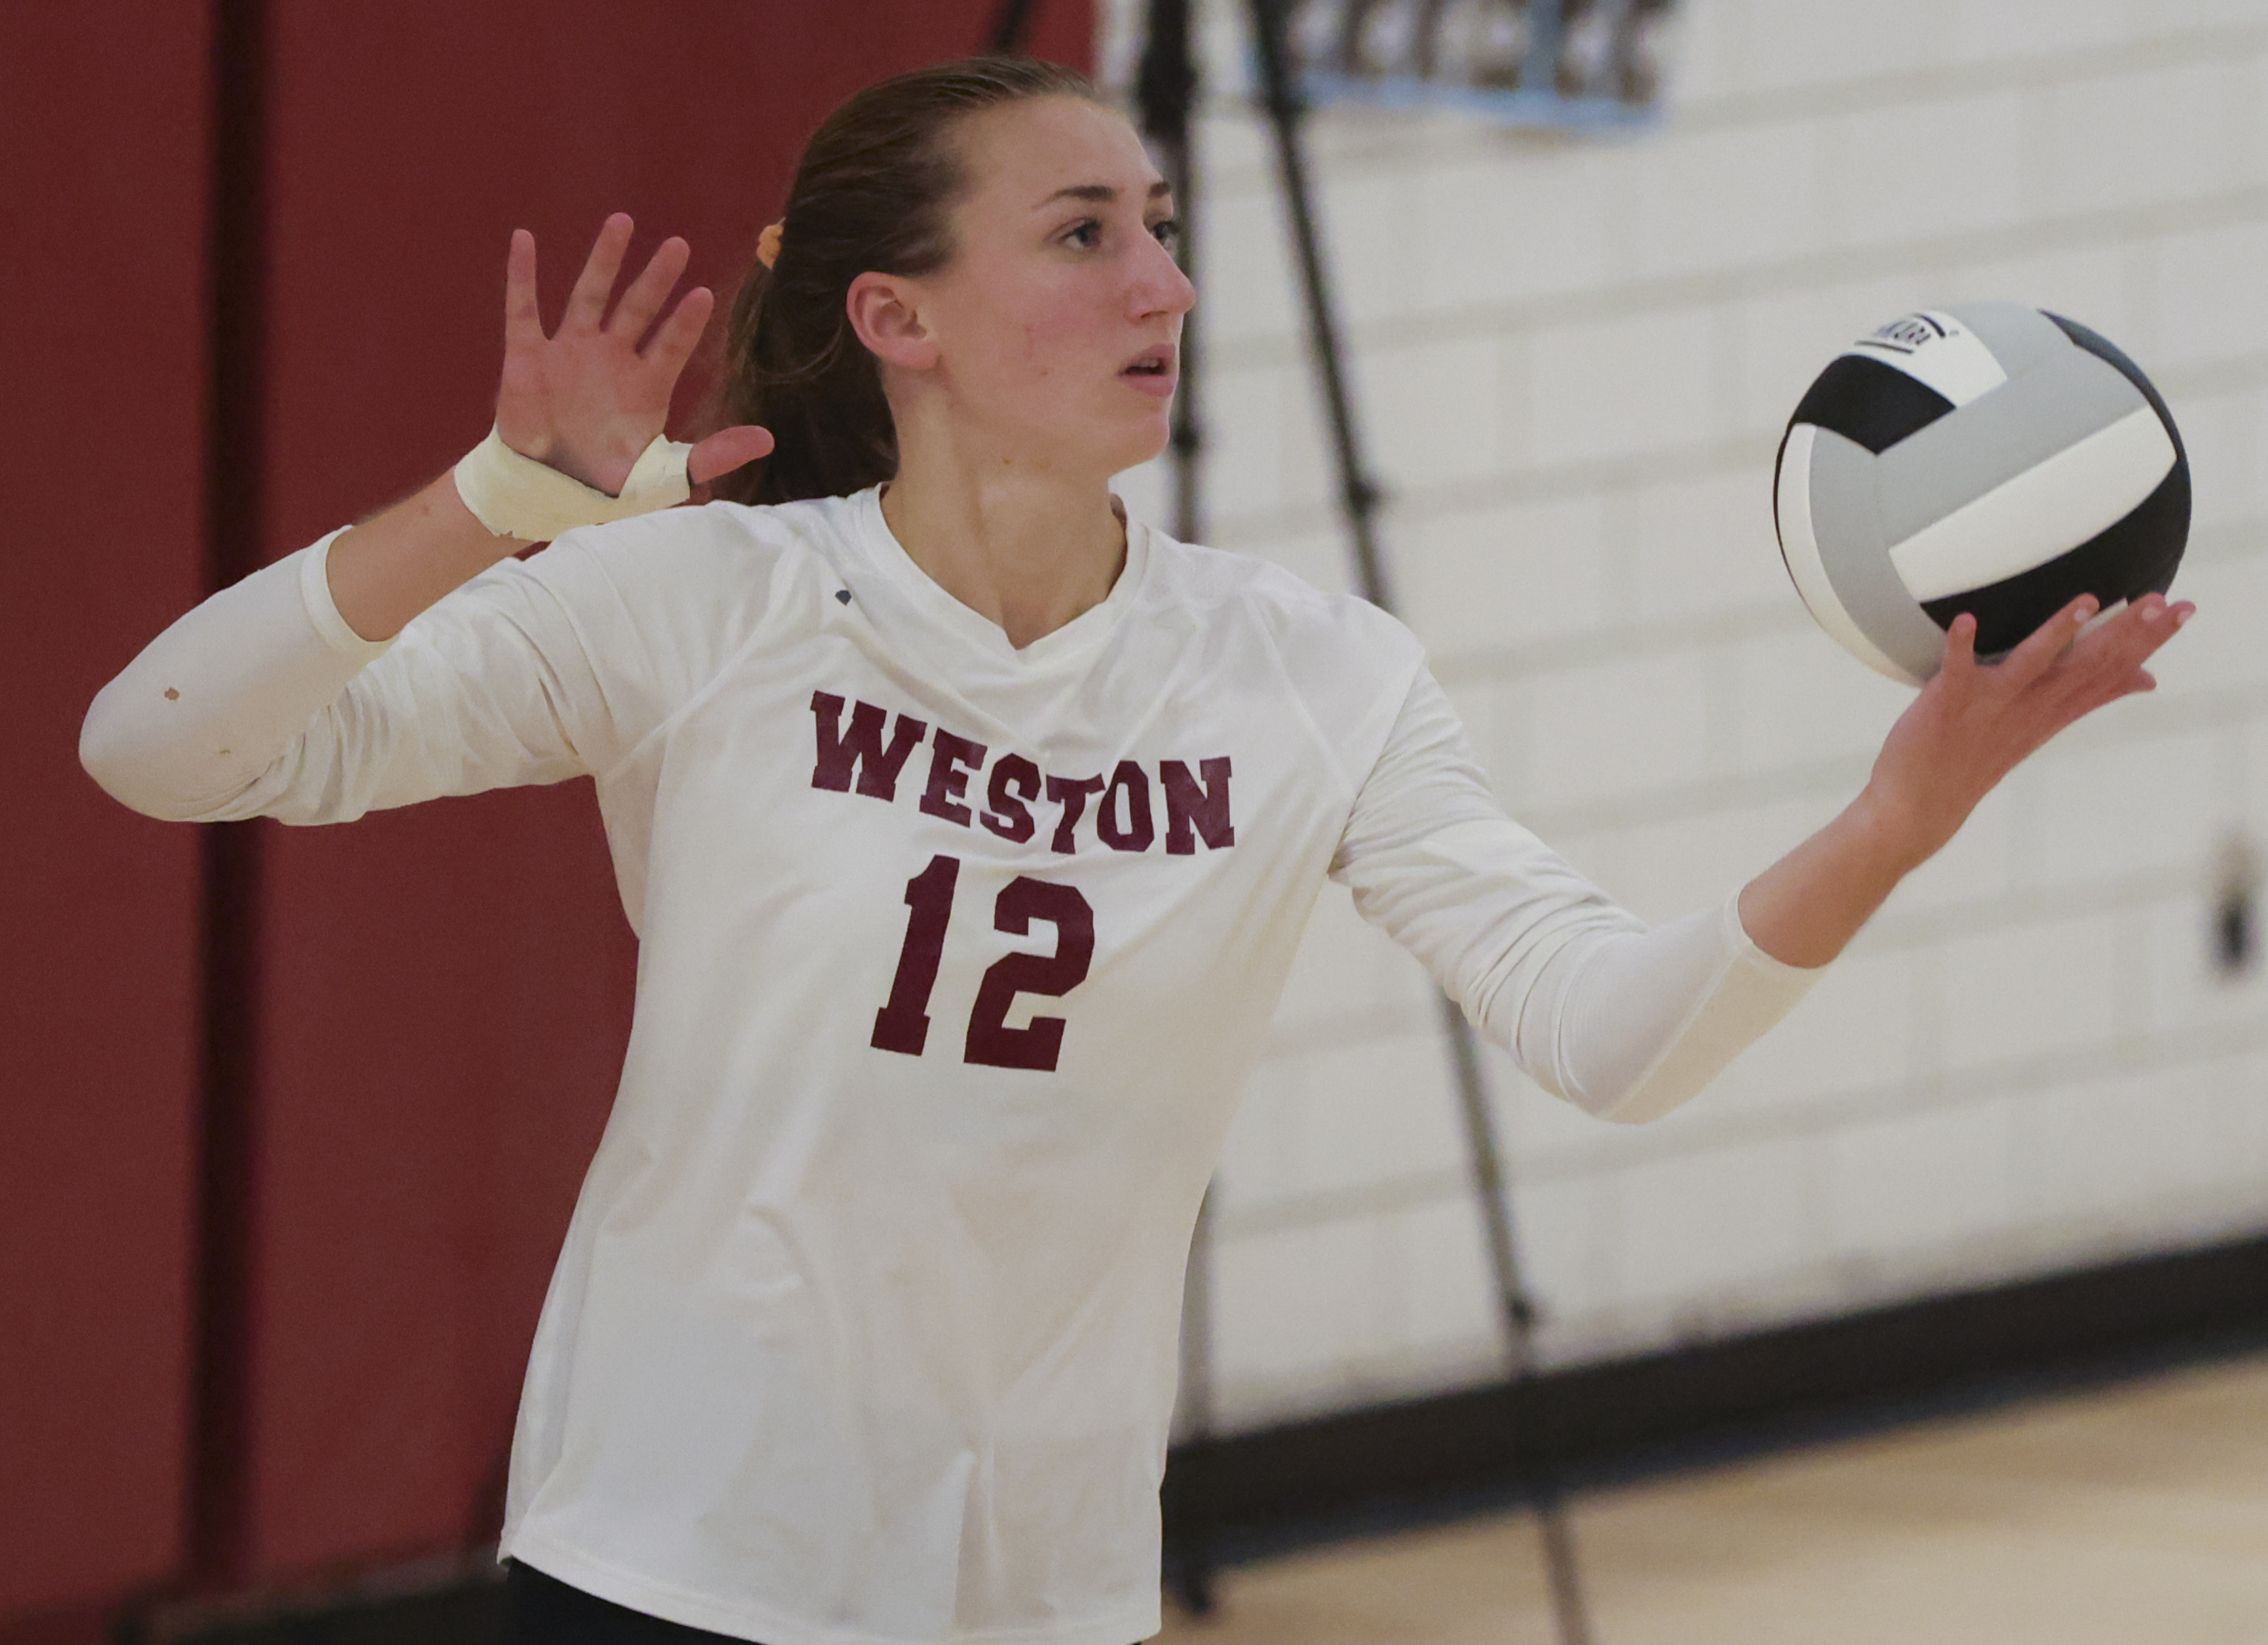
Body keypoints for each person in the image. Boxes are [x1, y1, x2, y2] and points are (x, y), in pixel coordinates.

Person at [79, 55, 2189, 1645]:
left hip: (1041, 1590)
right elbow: (160, 747)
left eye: (1161, 223)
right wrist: (490, 503)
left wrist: (1895, 820)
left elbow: (1608, 1034)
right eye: (1084, 232)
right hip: (669, 1558)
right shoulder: (704, 603)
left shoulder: (1306, 673)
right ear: (896, 318)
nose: (1163, 279)